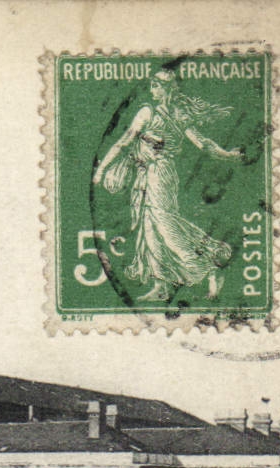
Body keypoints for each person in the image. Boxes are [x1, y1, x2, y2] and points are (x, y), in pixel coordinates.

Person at [92, 69, 245, 301]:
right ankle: (161, 284)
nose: (152, 90)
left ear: (167, 89)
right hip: (146, 174)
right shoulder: (153, 112)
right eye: (152, 85)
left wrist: (228, 155)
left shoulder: (165, 113)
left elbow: (202, 143)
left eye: (156, 86)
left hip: (160, 173)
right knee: (149, 227)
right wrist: (102, 169)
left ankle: (209, 268)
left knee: (165, 224)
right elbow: (125, 141)